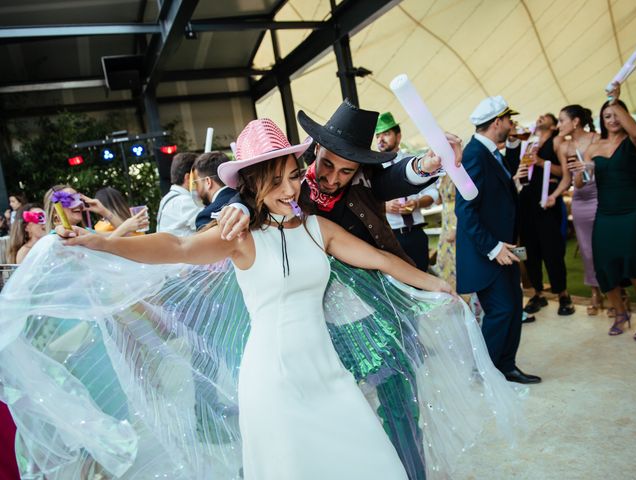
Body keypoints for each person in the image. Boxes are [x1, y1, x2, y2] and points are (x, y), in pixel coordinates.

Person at [31, 118, 524, 479]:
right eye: (283, 178)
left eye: (295, 174)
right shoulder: (237, 235)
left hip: (327, 373)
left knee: (369, 460)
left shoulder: (316, 227)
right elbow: (177, 246)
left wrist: (439, 285)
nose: (296, 185)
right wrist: (104, 242)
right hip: (272, 379)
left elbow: (382, 260)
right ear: (257, 182)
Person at [218, 100, 463, 479]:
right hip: (315, 327)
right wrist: (243, 209)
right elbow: (247, 191)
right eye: (327, 164)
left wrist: (428, 163)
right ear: (315, 151)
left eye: (346, 171)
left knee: (400, 403)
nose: (332, 178)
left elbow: (396, 177)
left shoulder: (367, 184)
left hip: (375, 313)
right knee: (324, 418)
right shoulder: (289, 186)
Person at [456, 95, 541, 384]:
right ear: (497, 122)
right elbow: (465, 210)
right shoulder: (474, 155)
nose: (512, 124)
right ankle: (486, 372)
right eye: (509, 119)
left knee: (513, 307)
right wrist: (492, 247)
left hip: (504, 249)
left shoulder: (492, 152)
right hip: (488, 253)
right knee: (501, 311)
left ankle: (506, 366)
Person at [583, 82, 636, 338]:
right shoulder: (593, 148)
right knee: (605, 265)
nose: (613, 119)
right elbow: (581, 182)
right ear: (601, 121)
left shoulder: (633, 142)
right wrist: (580, 173)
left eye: (617, 114)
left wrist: (614, 100)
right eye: (607, 115)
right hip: (605, 214)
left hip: (632, 212)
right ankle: (620, 313)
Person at [516, 113, 574, 316]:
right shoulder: (529, 143)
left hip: (547, 202)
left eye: (545, 116)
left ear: (554, 124)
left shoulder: (557, 141)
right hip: (526, 203)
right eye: (538, 116)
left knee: (553, 250)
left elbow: (565, 174)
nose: (539, 117)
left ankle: (563, 294)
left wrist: (540, 162)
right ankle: (538, 293)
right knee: (530, 251)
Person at [376, 112, 439, 271]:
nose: (380, 139)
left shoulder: (414, 162)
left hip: (415, 234)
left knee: (422, 280)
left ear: (398, 136)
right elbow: (363, 200)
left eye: (386, 133)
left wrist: (417, 203)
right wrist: (384, 206)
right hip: (389, 237)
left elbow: (433, 193)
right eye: (378, 135)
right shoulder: (372, 167)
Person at [555, 105, 602, 314]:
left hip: (601, 197)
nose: (558, 126)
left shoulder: (596, 139)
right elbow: (567, 178)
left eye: (561, 121)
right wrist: (553, 196)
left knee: (605, 247)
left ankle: (618, 292)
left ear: (575, 122)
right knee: (587, 251)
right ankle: (595, 292)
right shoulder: (564, 148)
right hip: (580, 200)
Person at [156, 152, 200, 236]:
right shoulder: (184, 201)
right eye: (199, 176)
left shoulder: (168, 198)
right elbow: (210, 223)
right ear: (188, 178)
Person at [190, 151, 234, 231]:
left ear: (208, 182)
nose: (196, 189)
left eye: (196, 183)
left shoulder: (207, 215)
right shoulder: (248, 197)